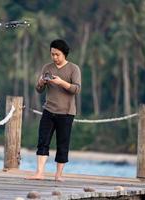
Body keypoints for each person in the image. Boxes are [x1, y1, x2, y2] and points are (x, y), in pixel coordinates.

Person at [26, 39, 81, 181]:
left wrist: (60, 82)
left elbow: (76, 89)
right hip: (48, 110)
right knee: (43, 141)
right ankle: (39, 173)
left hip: (66, 113)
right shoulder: (47, 67)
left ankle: (59, 175)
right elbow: (39, 90)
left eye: (57, 54)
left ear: (64, 54)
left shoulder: (74, 69)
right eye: (52, 54)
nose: (54, 57)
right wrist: (40, 82)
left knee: (63, 143)